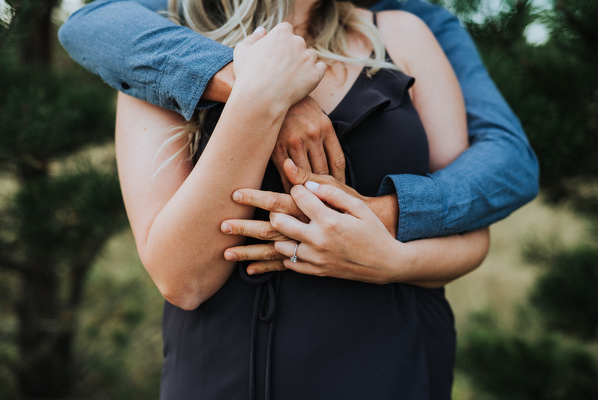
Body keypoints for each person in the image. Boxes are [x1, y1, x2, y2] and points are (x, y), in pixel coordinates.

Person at [98, 0, 494, 398]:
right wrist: (264, 101)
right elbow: (183, 280)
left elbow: (472, 238)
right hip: (231, 377)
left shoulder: (402, 35)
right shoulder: (159, 45)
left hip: (397, 368)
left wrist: (390, 261)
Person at [58, 0, 539, 245]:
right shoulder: (190, 13)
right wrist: (269, 94)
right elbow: (90, 24)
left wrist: (386, 215)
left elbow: (510, 161)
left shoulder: (415, 21)